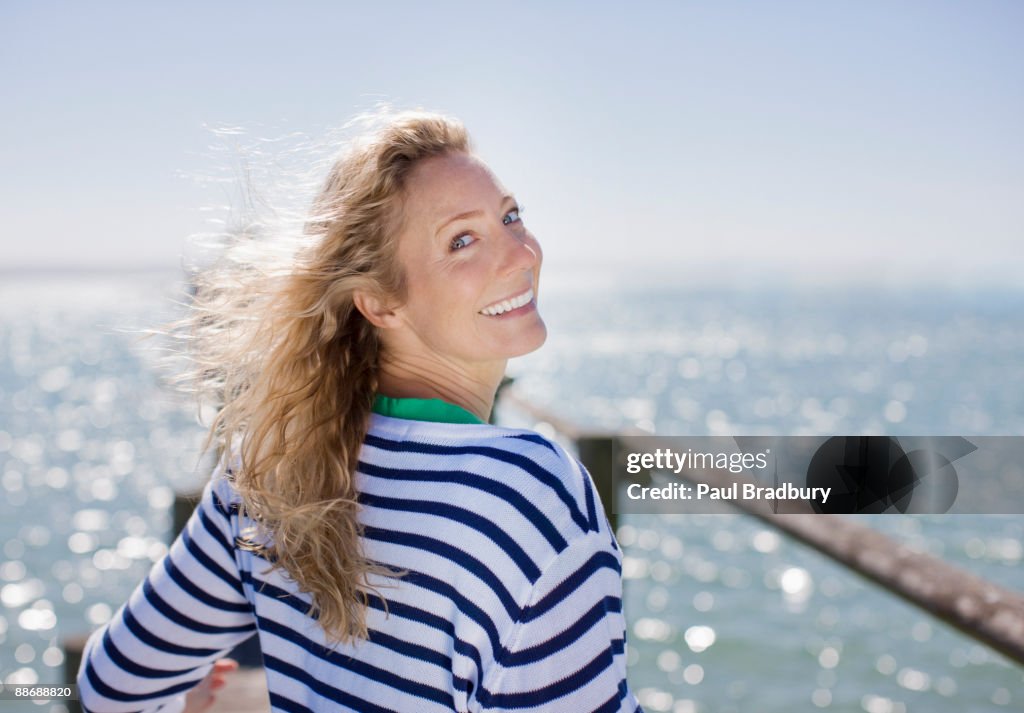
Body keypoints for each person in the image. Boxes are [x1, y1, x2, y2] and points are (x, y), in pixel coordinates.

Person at [77, 111, 642, 712]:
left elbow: (111, 687)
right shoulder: (528, 492)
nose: (520, 254)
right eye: (462, 241)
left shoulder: (267, 470)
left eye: (510, 216)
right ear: (378, 301)